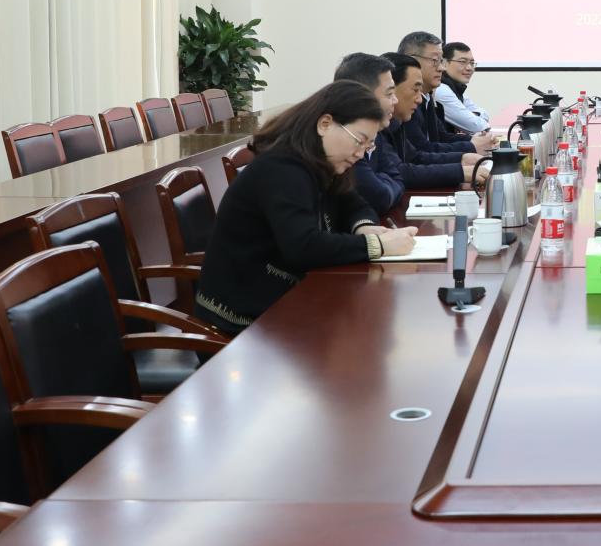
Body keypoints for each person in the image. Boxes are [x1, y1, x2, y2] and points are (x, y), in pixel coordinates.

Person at [193, 81, 416, 335]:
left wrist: (364, 228)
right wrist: (377, 246)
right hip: (239, 323)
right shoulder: (283, 168)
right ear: (325, 124)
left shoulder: (322, 161)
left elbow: (354, 203)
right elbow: (303, 246)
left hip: (285, 300)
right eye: (359, 140)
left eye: (368, 146)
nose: (360, 153)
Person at [384, 52, 491, 191]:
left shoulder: (397, 120)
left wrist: (462, 159)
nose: (441, 68)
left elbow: (415, 157)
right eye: (435, 60)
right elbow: (399, 173)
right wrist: (460, 170)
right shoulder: (377, 127)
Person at [398, 30, 495, 153]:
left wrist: (473, 141)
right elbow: (420, 152)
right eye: (435, 60)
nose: (441, 68)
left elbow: (440, 137)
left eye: (441, 61)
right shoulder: (410, 99)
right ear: (412, 61)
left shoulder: (427, 95)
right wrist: (470, 148)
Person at [334, 51, 406, 212]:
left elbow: (398, 178)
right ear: (362, 96)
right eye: (389, 94)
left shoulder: (375, 133)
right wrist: (383, 179)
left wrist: (382, 179)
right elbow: (380, 197)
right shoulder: (346, 140)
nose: (396, 100)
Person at [434, 41, 490, 134]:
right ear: (444, 63)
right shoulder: (441, 89)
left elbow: (485, 114)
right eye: (462, 62)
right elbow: (477, 127)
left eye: (472, 63)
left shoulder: (456, 88)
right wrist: (471, 116)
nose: (469, 68)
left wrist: (473, 115)